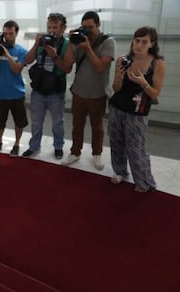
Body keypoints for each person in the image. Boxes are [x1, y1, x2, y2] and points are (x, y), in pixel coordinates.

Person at [108, 26, 166, 192]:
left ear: (151, 43)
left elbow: (155, 94)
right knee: (116, 142)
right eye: (137, 40)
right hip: (117, 107)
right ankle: (120, 171)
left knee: (136, 148)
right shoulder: (123, 60)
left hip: (138, 113)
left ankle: (144, 181)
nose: (139, 45)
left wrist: (143, 83)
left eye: (144, 42)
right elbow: (116, 88)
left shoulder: (157, 63)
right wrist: (119, 77)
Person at [62, 11, 115, 170]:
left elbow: (100, 67)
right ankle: (75, 152)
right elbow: (66, 66)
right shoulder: (79, 41)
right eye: (84, 27)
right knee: (77, 126)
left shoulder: (108, 42)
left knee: (97, 127)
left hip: (98, 94)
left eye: (91, 27)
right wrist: (72, 43)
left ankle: (97, 154)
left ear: (99, 25)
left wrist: (88, 48)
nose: (88, 31)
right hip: (79, 92)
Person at [22, 12, 71, 159]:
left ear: (63, 28)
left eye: (55, 27)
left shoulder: (67, 45)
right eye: (49, 27)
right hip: (39, 88)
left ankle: (58, 147)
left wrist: (55, 55)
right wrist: (37, 43)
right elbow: (27, 60)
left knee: (57, 122)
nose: (51, 30)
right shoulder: (42, 41)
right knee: (36, 121)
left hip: (56, 90)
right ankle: (34, 146)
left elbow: (67, 68)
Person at [0, 20, 29, 157]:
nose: (8, 36)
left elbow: (17, 70)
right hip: (0, 93)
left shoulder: (22, 51)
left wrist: (7, 55)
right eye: (5, 33)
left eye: (11, 33)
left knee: (19, 122)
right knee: (0, 121)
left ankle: (16, 144)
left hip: (17, 93)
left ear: (16, 33)